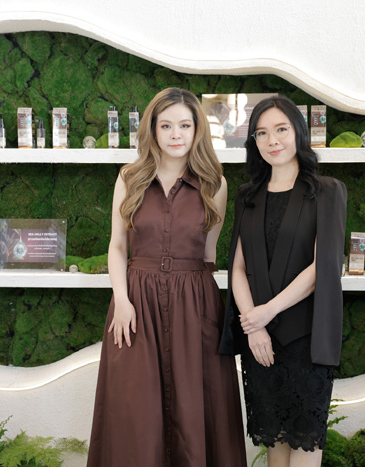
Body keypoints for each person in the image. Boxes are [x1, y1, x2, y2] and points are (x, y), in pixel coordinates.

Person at [87, 88, 247, 467]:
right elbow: (117, 247)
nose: (176, 134)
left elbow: (207, 256)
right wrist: (122, 301)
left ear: (197, 130)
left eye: (185, 125)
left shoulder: (215, 184)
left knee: (196, 406)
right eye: (167, 126)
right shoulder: (129, 178)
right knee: (134, 409)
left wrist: (201, 311)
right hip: (135, 304)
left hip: (195, 305)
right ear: (153, 130)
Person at [219, 95, 347, 467]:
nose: (272, 140)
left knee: (305, 452)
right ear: (254, 141)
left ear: (298, 132)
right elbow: (237, 268)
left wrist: (266, 313)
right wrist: (254, 326)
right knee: (274, 453)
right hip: (259, 344)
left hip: (305, 339)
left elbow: (322, 268)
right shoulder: (247, 196)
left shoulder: (327, 191)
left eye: (281, 129)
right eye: (261, 133)